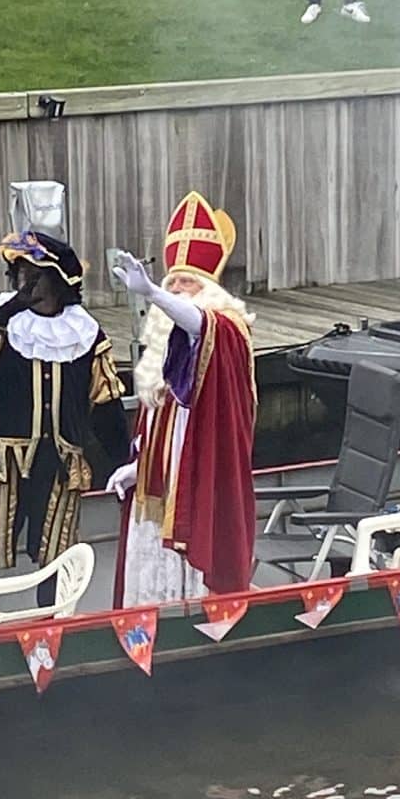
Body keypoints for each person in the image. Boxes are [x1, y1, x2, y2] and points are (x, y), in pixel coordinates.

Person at [0, 229, 131, 606]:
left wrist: (127, 463)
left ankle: (51, 638)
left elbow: (106, 407)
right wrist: (4, 312)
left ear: (58, 280)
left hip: (61, 464)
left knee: (57, 560)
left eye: (34, 274)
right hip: (3, 463)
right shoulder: (2, 326)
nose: (24, 282)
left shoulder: (85, 335)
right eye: (19, 273)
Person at [108, 191, 259, 602]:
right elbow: (159, 423)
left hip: (201, 484)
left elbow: (198, 324)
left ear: (210, 287)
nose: (179, 289)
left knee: (189, 587)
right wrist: (138, 468)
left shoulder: (226, 328)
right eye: (174, 281)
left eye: (188, 282)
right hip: (158, 491)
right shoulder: (165, 348)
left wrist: (155, 293)